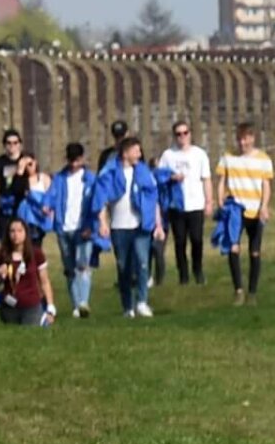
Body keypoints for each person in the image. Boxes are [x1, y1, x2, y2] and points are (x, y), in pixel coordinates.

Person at [92, 135, 165, 318]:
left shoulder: (144, 173)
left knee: (142, 263)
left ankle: (142, 301)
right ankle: (127, 307)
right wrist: (103, 222)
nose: (139, 154)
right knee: (123, 267)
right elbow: (102, 201)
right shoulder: (110, 173)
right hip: (119, 228)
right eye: (136, 150)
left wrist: (158, 224)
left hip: (140, 226)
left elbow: (153, 200)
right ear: (125, 153)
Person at [214, 123, 273, 304]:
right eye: (239, 139)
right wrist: (220, 199)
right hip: (235, 210)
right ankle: (238, 290)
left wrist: (264, 206)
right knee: (233, 248)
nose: (242, 143)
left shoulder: (263, 159)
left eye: (245, 139)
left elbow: (266, 185)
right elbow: (222, 180)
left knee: (254, 251)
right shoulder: (228, 157)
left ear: (252, 138)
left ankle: (252, 292)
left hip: (255, 210)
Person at [156, 122, 211, 286]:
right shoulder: (168, 155)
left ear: (190, 134)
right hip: (176, 205)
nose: (182, 137)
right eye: (178, 134)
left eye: (185, 133)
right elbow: (160, 177)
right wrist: (172, 178)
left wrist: (209, 201)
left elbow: (206, 179)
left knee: (197, 239)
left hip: (196, 203)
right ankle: (183, 274)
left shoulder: (199, 154)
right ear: (174, 136)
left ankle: (198, 269)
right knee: (179, 241)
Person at [48, 142, 100, 317]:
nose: (74, 164)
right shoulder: (59, 178)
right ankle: (76, 305)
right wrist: (46, 207)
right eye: (71, 160)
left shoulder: (91, 179)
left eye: (77, 160)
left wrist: (92, 226)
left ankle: (84, 302)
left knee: (83, 265)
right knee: (69, 268)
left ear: (82, 159)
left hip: (83, 228)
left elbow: (97, 203)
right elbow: (51, 196)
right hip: (64, 228)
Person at [0, 217, 54, 325]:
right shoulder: (1, 255)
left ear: (26, 233)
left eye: (19, 231)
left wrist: (50, 307)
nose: (16, 235)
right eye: (12, 231)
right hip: (9, 307)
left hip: (31, 306)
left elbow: (45, 282)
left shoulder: (36, 254)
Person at [0, 128, 24, 239]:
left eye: (15, 142)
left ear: (20, 144)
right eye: (9, 143)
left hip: (22, 204)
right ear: (4, 145)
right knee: (4, 238)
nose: (12, 145)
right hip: (5, 205)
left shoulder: (26, 160)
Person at [15, 153, 55, 245]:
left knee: (36, 244)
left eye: (30, 164)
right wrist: (20, 170)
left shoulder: (43, 178)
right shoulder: (21, 180)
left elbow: (50, 195)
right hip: (25, 218)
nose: (28, 167)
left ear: (35, 162)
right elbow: (16, 191)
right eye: (25, 165)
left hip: (40, 216)